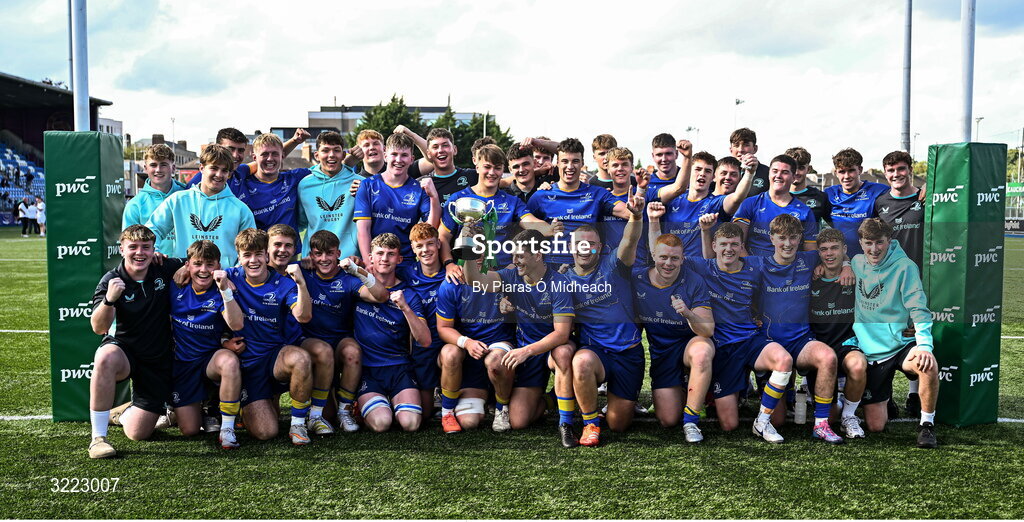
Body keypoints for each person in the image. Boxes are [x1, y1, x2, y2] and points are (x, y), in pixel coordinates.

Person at [462, 229, 577, 447]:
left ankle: (566, 424)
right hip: (528, 352)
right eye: (513, 255)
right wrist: (467, 246)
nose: (514, 261)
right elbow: (475, 280)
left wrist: (526, 351)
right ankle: (551, 399)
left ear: (538, 255)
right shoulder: (512, 275)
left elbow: (561, 334)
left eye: (520, 256)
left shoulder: (558, 282)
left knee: (562, 353)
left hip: (549, 349)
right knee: (519, 421)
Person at [86, 225, 185, 459]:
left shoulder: (164, 267)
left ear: (154, 250)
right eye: (133, 247)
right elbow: (98, 328)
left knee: (138, 433)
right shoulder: (111, 280)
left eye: (146, 248)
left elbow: (199, 260)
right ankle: (98, 438)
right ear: (121, 249)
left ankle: (120, 413)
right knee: (105, 356)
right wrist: (110, 300)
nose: (139, 253)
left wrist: (187, 267)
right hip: (125, 352)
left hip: (156, 358)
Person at [842, 218, 938, 448]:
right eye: (868, 243)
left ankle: (927, 425)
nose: (874, 249)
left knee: (929, 365)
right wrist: (845, 264)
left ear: (889, 241)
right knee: (876, 426)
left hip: (900, 344)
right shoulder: (856, 262)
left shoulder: (905, 267)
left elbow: (918, 308)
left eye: (879, 243)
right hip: (870, 348)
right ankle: (886, 398)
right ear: (861, 242)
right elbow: (844, 259)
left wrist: (925, 345)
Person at [693, 219, 793, 440]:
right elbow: (661, 257)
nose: (729, 249)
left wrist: (843, 263)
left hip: (750, 340)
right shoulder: (701, 266)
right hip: (724, 348)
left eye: (734, 244)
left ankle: (763, 422)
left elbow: (785, 260)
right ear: (714, 246)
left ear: (741, 247)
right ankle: (740, 391)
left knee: (784, 361)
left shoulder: (755, 266)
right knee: (729, 425)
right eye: (724, 244)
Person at [753, 213, 844, 444]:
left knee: (828, 357)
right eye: (782, 237)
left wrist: (847, 265)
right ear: (771, 238)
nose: (787, 243)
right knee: (780, 419)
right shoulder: (758, 264)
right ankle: (764, 412)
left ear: (800, 238)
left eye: (793, 237)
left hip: (800, 340)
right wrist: (751, 316)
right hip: (769, 343)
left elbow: (837, 253)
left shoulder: (810, 259)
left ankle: (821, 425)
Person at [567, 191, 647, 447]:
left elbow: (629, 240)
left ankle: (612, 405)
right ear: (570, 247)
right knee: (581, 362)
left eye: (590, 243)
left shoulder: (613, 265)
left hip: (628, 352)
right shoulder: (563, 279)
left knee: (619, 424)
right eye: (579, 243)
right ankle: (590, 422)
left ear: (599, 247)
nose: (584, 248)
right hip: (596, 352)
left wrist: (635, 217)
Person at [225, 228, 315, 445]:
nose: (253, 260)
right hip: (247, 363)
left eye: (258, 254)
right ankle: (243, 408)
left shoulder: (284, 283)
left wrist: (302, 283)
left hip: (275, 356)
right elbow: (201, 268)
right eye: (247, 255)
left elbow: (303, 317)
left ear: (266, 255)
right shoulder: (230, 276)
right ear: (239, 257)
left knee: (301, 358)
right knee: (266, 432)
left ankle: (298, 425)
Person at [636, 209, 716, 442]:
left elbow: (707, 330)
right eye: (663, 257)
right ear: (654, 256)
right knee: (667, 419)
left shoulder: (693, 280)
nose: (668, 263)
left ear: (683, 259)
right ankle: (689, 390)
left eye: (674, 258)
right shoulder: (638, 278)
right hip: (662, 352)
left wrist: (687, 313)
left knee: (702, 352)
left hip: (690, 343)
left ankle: (691, 422)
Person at [299, 230, 389, 433]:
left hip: (339, 341)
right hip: (308, 342)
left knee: (353, 351)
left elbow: (382, 296)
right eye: (318, 254)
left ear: (338, 253)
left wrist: (358, 270)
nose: (324, 259)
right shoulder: (303, 270)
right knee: (325, 413)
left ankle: (345, 410)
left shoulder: (347, 277)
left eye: (329, 253)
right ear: (311, 255)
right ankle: (315, 413)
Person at [167, 240, 245, 449]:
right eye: (197, 264)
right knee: (190, 430)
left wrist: (225, 291)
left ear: (218, 266)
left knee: (229, 361)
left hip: (210, 359)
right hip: (183, 363)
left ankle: (227, 429)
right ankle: (134, 411)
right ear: (188, 265)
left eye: (210, 264)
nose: (203, 270)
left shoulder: (223, 290)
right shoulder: (175, 286)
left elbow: (236, 323)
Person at [352, 233, 432, 433]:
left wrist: (405, 308)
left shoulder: (409, 295)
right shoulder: (357, 287)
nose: (384, 259)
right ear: (370, 257)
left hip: (399, 368)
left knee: (410, 424)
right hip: (368, 370)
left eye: (391, 254)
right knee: (381, 424)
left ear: (399, 259)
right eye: (379, 253)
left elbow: (425, 340)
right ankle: (369, 405)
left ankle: (390, 403)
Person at [439, 144, 554, 280]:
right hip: (467, 275)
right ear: (477, 167)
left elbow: (531, 222)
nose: (492, 172)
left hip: (503, 275)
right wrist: (449, 264)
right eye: (487, 167)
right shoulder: (459, 199)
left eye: (497, 168)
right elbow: (443, 237)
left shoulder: (512, 201)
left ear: (503, 170)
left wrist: (552, 229)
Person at [435, 256, 517, 433]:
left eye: (481, 251)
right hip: (468, 355)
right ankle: (447, 412)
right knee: (469, 423)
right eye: (470, 252)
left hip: (498, 347)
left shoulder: (505, 278)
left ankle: (501, 407)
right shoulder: (451, 285)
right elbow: (443, 329)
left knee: (495, 362)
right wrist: (467, 343)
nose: (477, 257)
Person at [526, 138, 632, 268]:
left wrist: (638, 203)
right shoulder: (541, 196)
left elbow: (629, 213)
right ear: (557, 163)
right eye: (565, 161)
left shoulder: (597, 194)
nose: (570, 167)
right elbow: (524, 231)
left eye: (575, 161)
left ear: (582, 163)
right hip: (551, 270)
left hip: (588, 269)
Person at [146, 145, 257, 267]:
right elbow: (152, 230)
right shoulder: (177, 200)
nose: (219, 174)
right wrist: (153, 251)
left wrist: (231, 275)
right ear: (202, 168)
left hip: (224, 281)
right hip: (184, 279)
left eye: (224, 170)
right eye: (214, 168)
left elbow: (251, 250)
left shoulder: (241, 209)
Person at [809, 228, 867, 439]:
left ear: (844, 249)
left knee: (858, 364)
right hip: (819, 348)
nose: (829, 253)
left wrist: (847, 264)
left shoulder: (855, 274)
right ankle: (834, 403)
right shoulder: (811, 277)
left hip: (846, 343)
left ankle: (850, 416)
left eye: (835, 248)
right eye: (824, 249)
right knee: (829, 414)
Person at [648, 148, 755, 259]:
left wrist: (749, 174)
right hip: (670, 267)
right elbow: (656, 244)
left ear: (713, 177)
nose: (702, 174)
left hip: (699, 271)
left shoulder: (716, 203)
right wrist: (653, 219)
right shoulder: (671, 200)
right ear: (689, 172)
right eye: (698, 169)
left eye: (707, 171)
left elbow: (737, 198)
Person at [353, 133, 441, 268]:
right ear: (385, 155)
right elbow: (363, 230)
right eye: (394, 154)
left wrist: (434, 197)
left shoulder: (418, 190)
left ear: (412, 159)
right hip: (377, 262)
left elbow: (430, 229)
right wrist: (368, 262)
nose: (398, 160)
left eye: (404, 155)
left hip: (406, 263)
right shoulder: (367, 185)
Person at [235, 133, 315, 253]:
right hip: (258, 257)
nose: (270, 159)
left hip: (289, 257)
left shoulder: (294, 178)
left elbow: (330, 169)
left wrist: (353, 159)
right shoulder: (241, 184)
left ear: (282, 155)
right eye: (265, 154)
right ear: (254, 157)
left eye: (275, 154)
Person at [400, 223, 448, 420]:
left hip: (449, 341)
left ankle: (449, 401)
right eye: (419, 246)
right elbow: (378, 271)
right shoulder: (406, 271)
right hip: (422, 345)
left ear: (438, 244)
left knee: (452, 358)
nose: (425, 250)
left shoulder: (452, 272)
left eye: (429, 244)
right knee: (425, 415)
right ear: (412, 248)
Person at [732, 154, 818, 256]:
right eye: (775, 171)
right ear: (769, 174)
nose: (778, 176)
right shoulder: (750, 204)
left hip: (788, 269)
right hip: (754, 268)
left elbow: (810, 252)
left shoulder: (805, 212)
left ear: (793, 177)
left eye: (785, 172)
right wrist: (753, 267)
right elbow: (737, 244)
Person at [297, 131, 364, 259]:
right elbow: (302, 223)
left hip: (349, 259)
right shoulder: (304, 185)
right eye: (326, 150)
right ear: (316, 155)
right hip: (314, 260)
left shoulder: (360, 183)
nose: (331, 155)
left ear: (343, 154)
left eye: (336, 150)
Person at [187, 127, 309, 194]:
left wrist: (295, 141)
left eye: (240, 150)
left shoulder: (241, 172)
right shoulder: (200, 179)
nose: (235, 155)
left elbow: (267, 160)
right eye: (230, 149)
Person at [123, 144, 186, 254]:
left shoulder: (187, 196)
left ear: (173, 168)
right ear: (146, 168)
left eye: (163, 165)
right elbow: (128, 246)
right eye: (153, 165)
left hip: (189, 267)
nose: (158, 170)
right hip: (154, 268)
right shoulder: (135, 205)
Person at [826, 148, 889, 256]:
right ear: (836, 173)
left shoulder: (879, 190)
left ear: (860, 169)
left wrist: (927, 188)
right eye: (842, 171)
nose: (846, 176)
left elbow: (903, 193)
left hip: (869, 259)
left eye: (851, 170)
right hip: (840, 260)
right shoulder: (828, 194)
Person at [394, 126, 477, 204]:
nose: (440, 150)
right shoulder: (420, 185)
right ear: (429, 154)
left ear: (454, 150)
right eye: (435, 147)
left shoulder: (473, 177)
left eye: (445, 145)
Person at [875, 150, 924, 270]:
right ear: (885, 174)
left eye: (901, 169)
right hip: (892, 272)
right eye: (891, 170)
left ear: (910, 170)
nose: (896, 174)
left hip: (922, 271)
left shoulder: (925, 197)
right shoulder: (879, 203)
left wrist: (929, 186)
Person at [786, 146, 831, 227]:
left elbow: (836, 227)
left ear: (809, 169)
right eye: (793, 168)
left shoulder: (820, 197)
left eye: (801, 168)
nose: (796, 172)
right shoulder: (775, 196)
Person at [727, 128, 771, 196]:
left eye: (746, 145)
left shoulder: (768, 173)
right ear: (731, 150)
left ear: (755, 148)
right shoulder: (722, 172)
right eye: (736, 145)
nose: (740, 150)